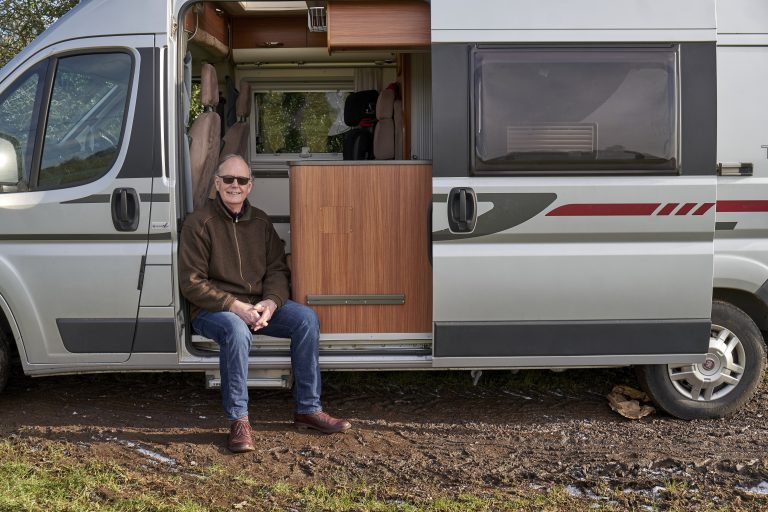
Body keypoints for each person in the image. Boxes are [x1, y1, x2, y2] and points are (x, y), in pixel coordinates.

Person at [179, 154, 351, 453]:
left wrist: (270, 304)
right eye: (229, 180)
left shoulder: (260, 221)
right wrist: (236, 306)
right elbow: (192, 282)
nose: (235, 185)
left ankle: (308, 410)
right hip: (215, 311)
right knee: (237, 330)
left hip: (257, 306)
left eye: (242, 180)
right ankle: (239, 421)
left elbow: (276, 269)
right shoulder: (199, 223)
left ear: (250, 186)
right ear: (217, 183)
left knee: (306, 319)